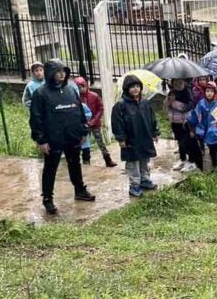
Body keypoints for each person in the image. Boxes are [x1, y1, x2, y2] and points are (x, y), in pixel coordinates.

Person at [29, 59, 96, 215]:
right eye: (58, 71)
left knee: (75, 164)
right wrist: (41, 140)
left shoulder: (70, 90)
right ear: (50, 73)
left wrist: (83, 132)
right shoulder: (41, 93)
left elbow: (79, 112)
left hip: (72, 136)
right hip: (53, 139)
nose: (61, 74)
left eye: (63, 71)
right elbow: (36, 119)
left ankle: (80, 190)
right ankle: (47, 198)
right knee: (50, 169)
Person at [111, 73, 161, 197]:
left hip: (145, 137)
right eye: (132, 87)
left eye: (137, 86)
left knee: (145, 160)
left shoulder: (145, 103)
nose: (135, 89)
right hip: (131, 140)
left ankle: (145, 180)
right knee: (133, 163)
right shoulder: (121, 105)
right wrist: (121, 138)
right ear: (127, 89)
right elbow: (117, 123)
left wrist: (155, 132)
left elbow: (152, 118)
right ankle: (134, 185)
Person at [74, 77, 116, 168]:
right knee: (84, 143)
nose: (81, 89)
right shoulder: (75, 98)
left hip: (95, 124)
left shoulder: (94, 96)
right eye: (78, 87)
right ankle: (86, 161)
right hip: (84, 125)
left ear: (86, 85)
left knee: (100, 142)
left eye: (82, 86)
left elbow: (100, 109)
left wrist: (94, 121)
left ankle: (107, 159)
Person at [188, 83, 217, 172]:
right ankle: (215, 166)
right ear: (204, 92)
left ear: (215, 92)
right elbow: (196, 115)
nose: (209, 93)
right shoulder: (201, 103)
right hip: (207, 132)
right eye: (207, 91)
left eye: (211, 91)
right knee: (212, 151)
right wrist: (192, 126)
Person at [167, 78, 201, 172]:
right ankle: (182, 159)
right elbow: (165, 105)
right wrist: (169, 101)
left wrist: (174, 103)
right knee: (180, 142)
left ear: (184, 83)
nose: (178, 85)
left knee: (188, 142)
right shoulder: (171, 92)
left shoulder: (187, 92)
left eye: (180, 83)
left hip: (185, 123)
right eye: (175, 83)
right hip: (175, 122)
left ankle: (191, 161)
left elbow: (188, 106)